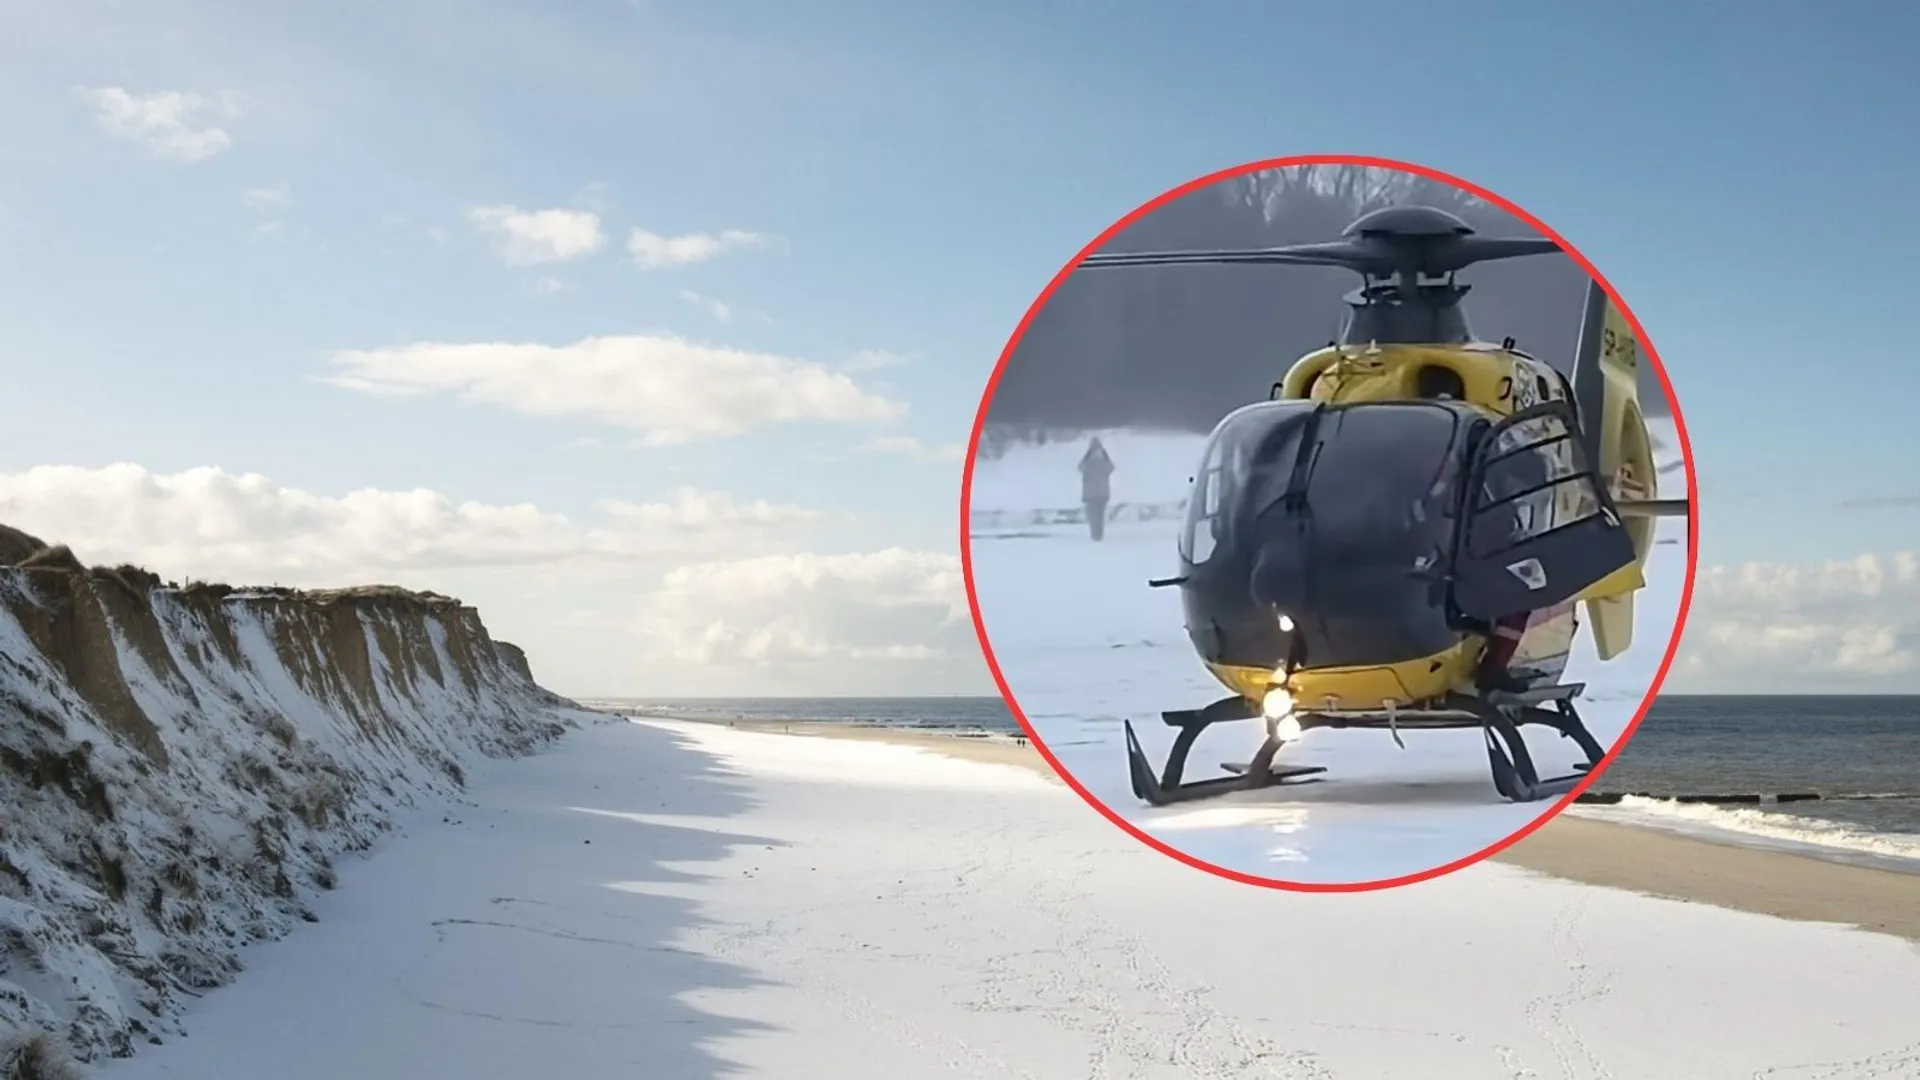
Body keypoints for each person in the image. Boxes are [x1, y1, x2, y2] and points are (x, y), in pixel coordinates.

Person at [1079, 437, 1114, 542]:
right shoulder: (1103, 462)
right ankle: (1098, 534)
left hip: (1090, 493)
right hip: (1102, 493)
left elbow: (1080, 467)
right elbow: (1111, 468)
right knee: (1099, 515)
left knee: (1093, 515)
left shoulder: (1088, 463)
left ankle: (1095, 534)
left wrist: (1086, 456)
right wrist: (1106, 456)